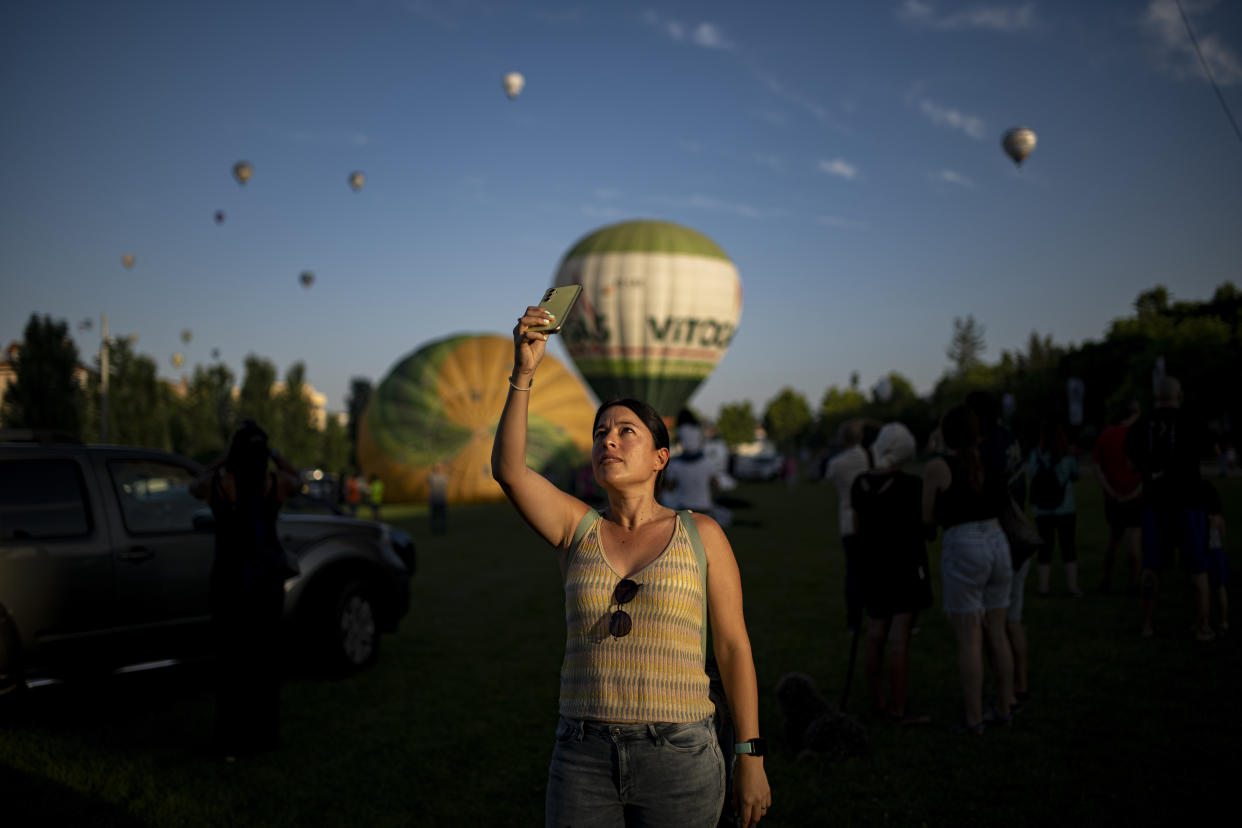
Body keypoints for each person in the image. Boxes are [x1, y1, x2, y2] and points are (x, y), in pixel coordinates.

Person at [492, 303, 771, 828]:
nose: (608, 440)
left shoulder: (702, 534)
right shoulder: (576, 528)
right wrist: (524, 372)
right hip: (582, 754)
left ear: (660, 458)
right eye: (600, 433)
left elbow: (734, 648)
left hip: (680, 752)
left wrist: (749, 754)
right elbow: (508, 470)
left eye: (626, 432)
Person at [190, 420, 301, 760]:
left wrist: (225, 459)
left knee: (231, 662)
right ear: (263, 453)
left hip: (228, 580)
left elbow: (193, 484)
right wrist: (275, 454)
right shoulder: (275, 483)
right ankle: (264, 736)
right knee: (265, 660)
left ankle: (229, 741)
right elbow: (297, 479)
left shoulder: (218, 485)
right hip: (266, 581)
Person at [922, 404, 1014, 734]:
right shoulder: (992, 459)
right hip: (997, 541)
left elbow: (927, 516)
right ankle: (1004, 707)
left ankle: (974, 718)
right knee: (999, 633)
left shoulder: (938, 467)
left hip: (964, 544)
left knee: (970, 639)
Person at [850, 422, 932, 725]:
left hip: (872, 567)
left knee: (875, 634)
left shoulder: (860, 484)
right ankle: (898, 708)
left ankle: (878, 702)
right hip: (905, 567)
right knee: (899, 639)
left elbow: (857, 529)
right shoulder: (912, 486)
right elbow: (925, 525)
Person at [1124, 377, 1211, 640]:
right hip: (1188, 503)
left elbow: (1130, 465)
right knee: (1198, 569)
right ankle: (1203, 627)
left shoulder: (1140, 425)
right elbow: (1207, 453)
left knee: (1151, 568)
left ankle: (1147, 625)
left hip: (1155, 504)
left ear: (1155, 397)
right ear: (1179, 395)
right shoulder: (1193, 421)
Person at [965, 390, 1031, 710]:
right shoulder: (1010, 437)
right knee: (1012, 620)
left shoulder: (985, 447)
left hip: (999, 537)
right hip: (1019, 533)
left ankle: (1006, 692)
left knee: (996, 624)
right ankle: (1020, 684)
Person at [825, 419, 872, 633]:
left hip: (847, 520)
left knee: (853, 571)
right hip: (871, 519)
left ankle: (854, 620)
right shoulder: (872, 457)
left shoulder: (838, 463)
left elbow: (829, 479)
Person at [1094, 401, 1143, 595]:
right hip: (1135, 497)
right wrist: (1134, 492)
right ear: (1135, 414)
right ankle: (1133, 583)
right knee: (1134, 542)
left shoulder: (1106, 434)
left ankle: (1106, 580)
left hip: (1113, 498)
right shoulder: (1138, 435)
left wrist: (1110, 491)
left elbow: (1097, 467)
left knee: (1114, 540)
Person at [1029, 419, 1081, 597]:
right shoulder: (1067, 455)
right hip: (1065, 508)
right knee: (1068, 547)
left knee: (1045, 548)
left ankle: (1043, 587)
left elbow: (1033, 475)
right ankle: (1073, 587)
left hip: (1042, 510)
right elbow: (1075, 475)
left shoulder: (1035, 454)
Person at [663, 409, 719, 518]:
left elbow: (670, 488)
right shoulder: (707, 463)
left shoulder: (676, 466)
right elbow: (715, 485)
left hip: (685, 509)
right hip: (705, 508)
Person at [1201, 479, 1230, 634]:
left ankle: (1206, 618)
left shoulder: (1202, 517)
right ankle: (1224, 620)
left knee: (1205, 587)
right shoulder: (1219, 518)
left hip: (1207, 553)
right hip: (1218, 553)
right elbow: (1223, 536)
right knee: (1220, 588)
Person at [428, 462, 449, 535]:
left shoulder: (432, 477)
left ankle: (436, 530)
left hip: (436, 499)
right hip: (439, 499)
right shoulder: (444, 477)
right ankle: (441, 530)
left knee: (436, 517)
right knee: (440, 517)